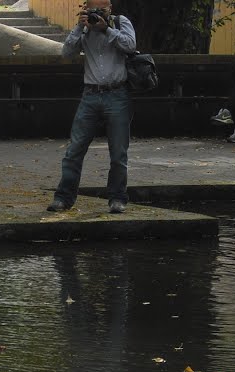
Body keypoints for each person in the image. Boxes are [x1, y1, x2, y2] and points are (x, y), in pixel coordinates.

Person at [47, 0, 137, 215]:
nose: (97, 14)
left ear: (110, 8)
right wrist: (80, 27)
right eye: (93, 10)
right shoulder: (84, 29)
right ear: (85, 8)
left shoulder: (120, 22)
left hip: (117, 94)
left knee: (118, 152)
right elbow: (66, 53)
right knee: (74, 150)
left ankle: (117, 198)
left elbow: (130, 46)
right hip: (90, 94)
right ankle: (63, 198)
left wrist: (106, 29)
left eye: (102, 9)